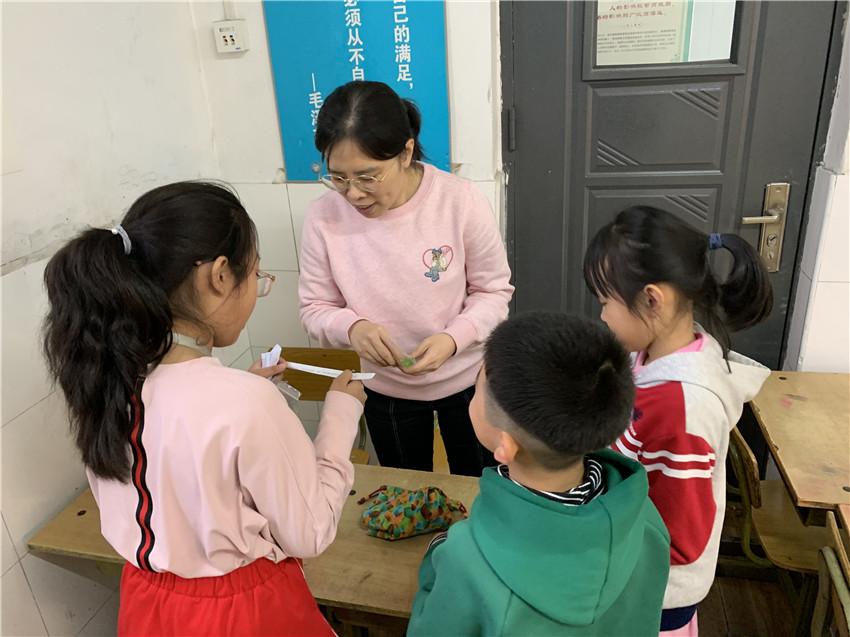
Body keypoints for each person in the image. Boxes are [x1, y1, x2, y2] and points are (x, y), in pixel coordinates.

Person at [42, 181, 366, 636]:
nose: (256, 289)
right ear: (219, 276)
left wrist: (243, 395)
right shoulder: (245, 402)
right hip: (241, 615)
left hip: (146, 604)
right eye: (256, 275)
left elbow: (176, 459)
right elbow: (309, 533)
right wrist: (340, 415)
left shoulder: (105, 381)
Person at [407, 312, 671, 636]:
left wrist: (436, 558)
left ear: (505, 444)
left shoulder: (466, 560)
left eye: (477, 388)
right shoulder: (647, 519)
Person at [298, 80, 514, 476]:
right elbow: (314, 307)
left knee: (479, 485)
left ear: (406, 152)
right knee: (403, 490)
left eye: (368, 177)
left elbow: (494, 292)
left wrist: (454, 339)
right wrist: (352, 328)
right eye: (338, 177)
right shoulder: (323, 216)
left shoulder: (459, 200)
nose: (353, 194)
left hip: (467, 380)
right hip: (386, 389)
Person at [583, 205, 773, 636]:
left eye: (606, 302)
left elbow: (680, 539)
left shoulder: (684, 406)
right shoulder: (649, 355)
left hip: (653, 588)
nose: (602, 316)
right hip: (628, 559)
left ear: (652, 299)